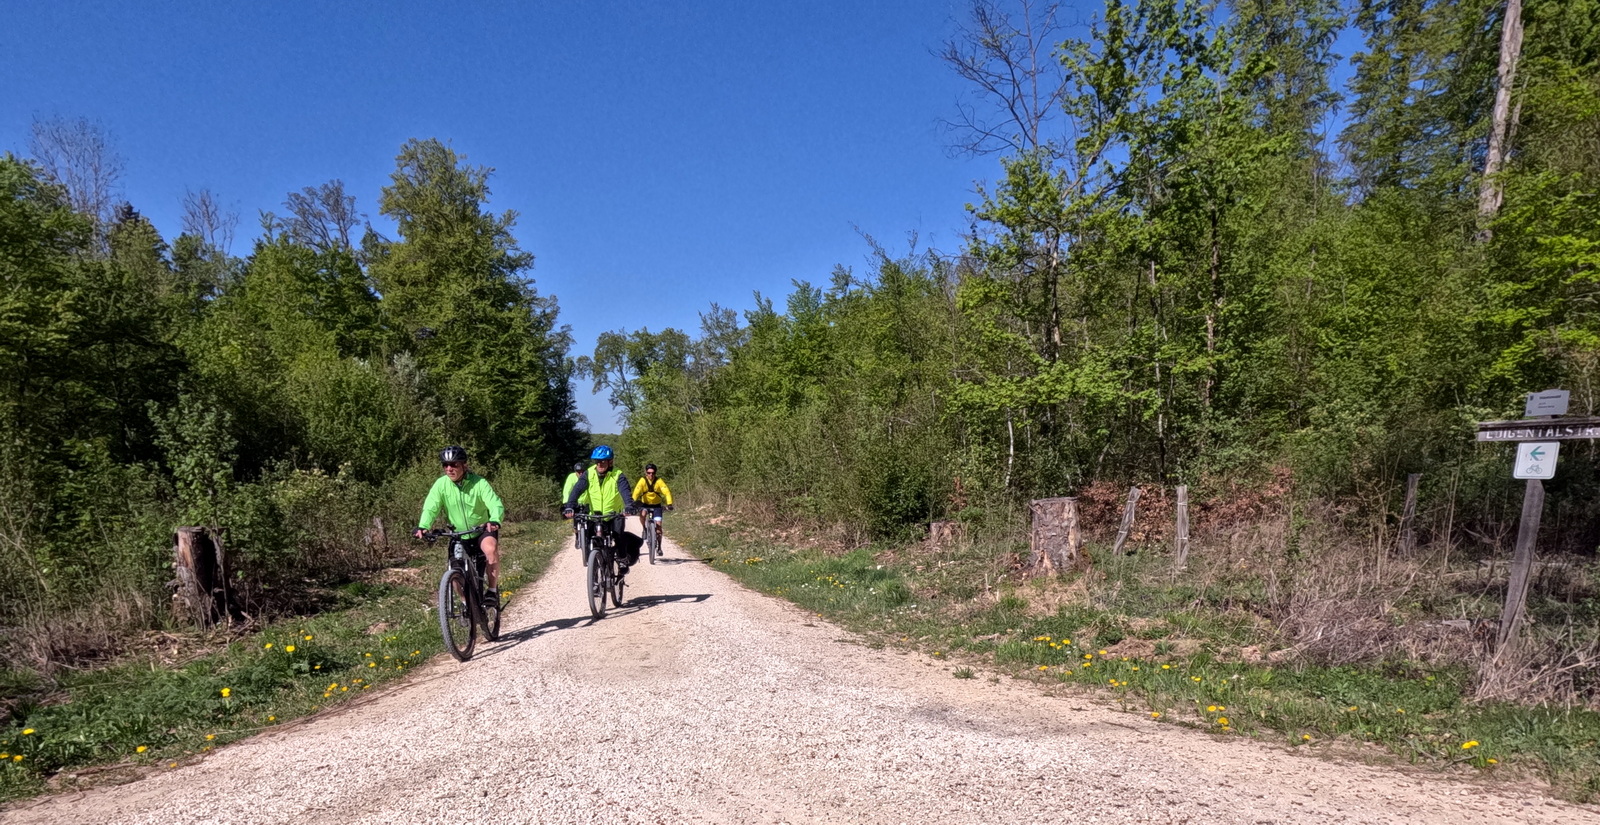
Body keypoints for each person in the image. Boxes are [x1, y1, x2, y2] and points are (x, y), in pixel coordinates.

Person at [413, 446, 505, 606]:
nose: (449, 468)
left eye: (454, 464)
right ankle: (467, 604)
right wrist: (423, 526)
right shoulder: (441, 485)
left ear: (464, 465)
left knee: (490, 549)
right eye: (445, 465)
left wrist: (495, 519)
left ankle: (491, 591)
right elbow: (431, 506)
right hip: (459, 534)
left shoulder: (479, 483)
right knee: (453, 574)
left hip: (482, 530)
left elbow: (494, 503)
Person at [562, 445, 641, 571]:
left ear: (610, 462)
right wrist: (570, 506)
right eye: (597, 461)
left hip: (614, 514)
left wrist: (629, 506)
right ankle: (594, 563)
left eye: (603, 461)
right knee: (588, 535)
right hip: (595, 515)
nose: (599, 464)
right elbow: (577, 489)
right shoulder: (588, 473)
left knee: (618, 535)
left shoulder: (618, 475)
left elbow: (625, 491)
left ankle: (621, 560)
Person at [632, 463, 674, 540]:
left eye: (653, 473)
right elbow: (636, 492)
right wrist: (632, 502)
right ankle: (644, 528)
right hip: (645, 504)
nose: (651, 475)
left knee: (658, 525)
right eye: (648, 473)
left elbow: (666, 492)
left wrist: (669, 503)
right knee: (643, 514)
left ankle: (659, 546)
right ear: (646, 472)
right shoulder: (642, 481)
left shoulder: (659, 481)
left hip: (656, 505)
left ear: (655, 473)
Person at [561, 461, 586, 553]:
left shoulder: (587, 476)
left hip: (586, 502)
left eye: (582, 471)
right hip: (574, 503)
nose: (580, 473)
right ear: (575, 471)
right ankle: (577, 537)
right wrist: (567, 504)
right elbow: (567, 490)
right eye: (578, 472)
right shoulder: (571, 477)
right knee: (576, 522)